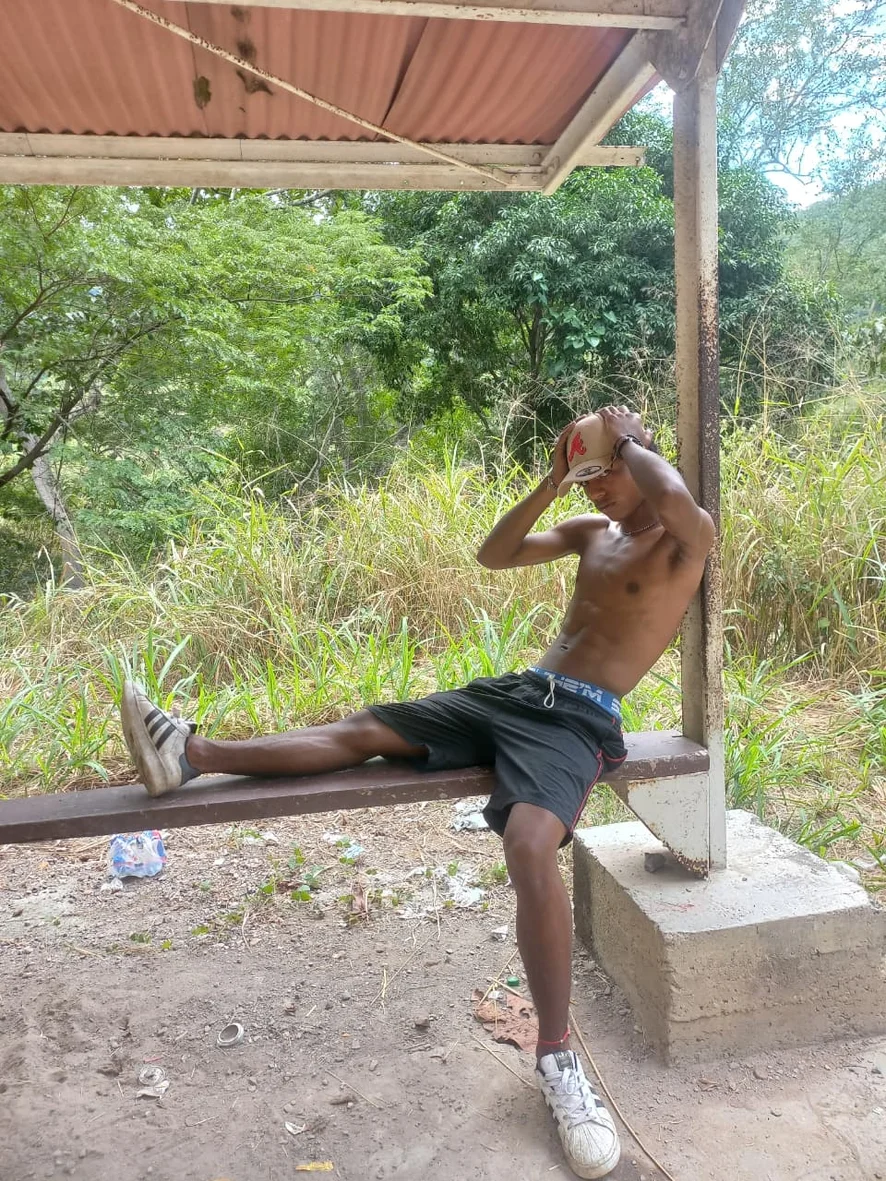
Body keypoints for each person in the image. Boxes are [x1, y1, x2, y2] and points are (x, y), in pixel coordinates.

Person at [121, 404, 714, 1181]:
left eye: (605, 473)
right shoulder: (589, 533)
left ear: (637, 459)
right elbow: (494, 554)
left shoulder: (682, 538)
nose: (596, 489)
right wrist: (551, 482)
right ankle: (190, 754)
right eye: (586, 477)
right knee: (369, 728)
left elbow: (676, 501)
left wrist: (625, 441)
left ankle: (558, 1059)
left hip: (579, 719)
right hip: (520, 692)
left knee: (529, 842)